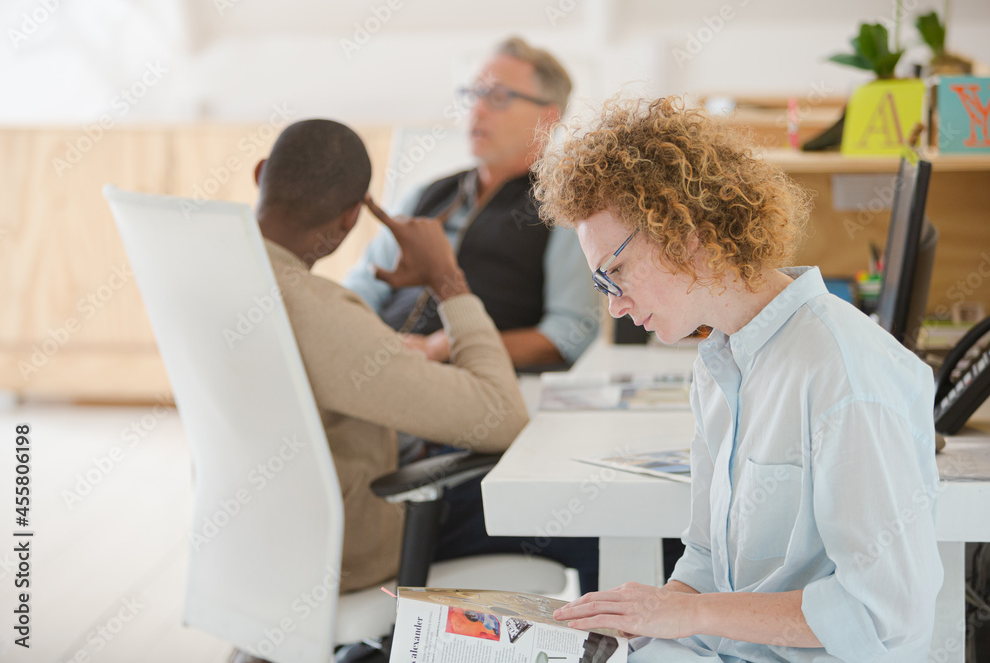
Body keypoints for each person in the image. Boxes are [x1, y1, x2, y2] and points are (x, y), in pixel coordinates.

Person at [532, 97, 943, 661]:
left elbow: (883, 610)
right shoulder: (720, 363)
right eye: (604, 285)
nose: (617, 307)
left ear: (682, 231)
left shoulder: (843, 374)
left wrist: (688, 613)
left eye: (616, 273)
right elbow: (706, 557)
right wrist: (650, 615)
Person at [251, 118, 530, 597]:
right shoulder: (317, 313)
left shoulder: (211, 273)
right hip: (350, 557)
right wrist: (447, 279)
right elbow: (504, 419)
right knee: (590, 526)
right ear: (350, 218)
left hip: (256, 544)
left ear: (260, 175)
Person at [343, 36, 599, 370]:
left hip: (472, 381)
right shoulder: (425, 194)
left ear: (547, 117)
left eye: (498, 97)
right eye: (473, 95)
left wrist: (444, 346)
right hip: (379, 362)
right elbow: (362, 286)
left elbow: (569, 334)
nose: (476, 110)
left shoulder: (567, 209)